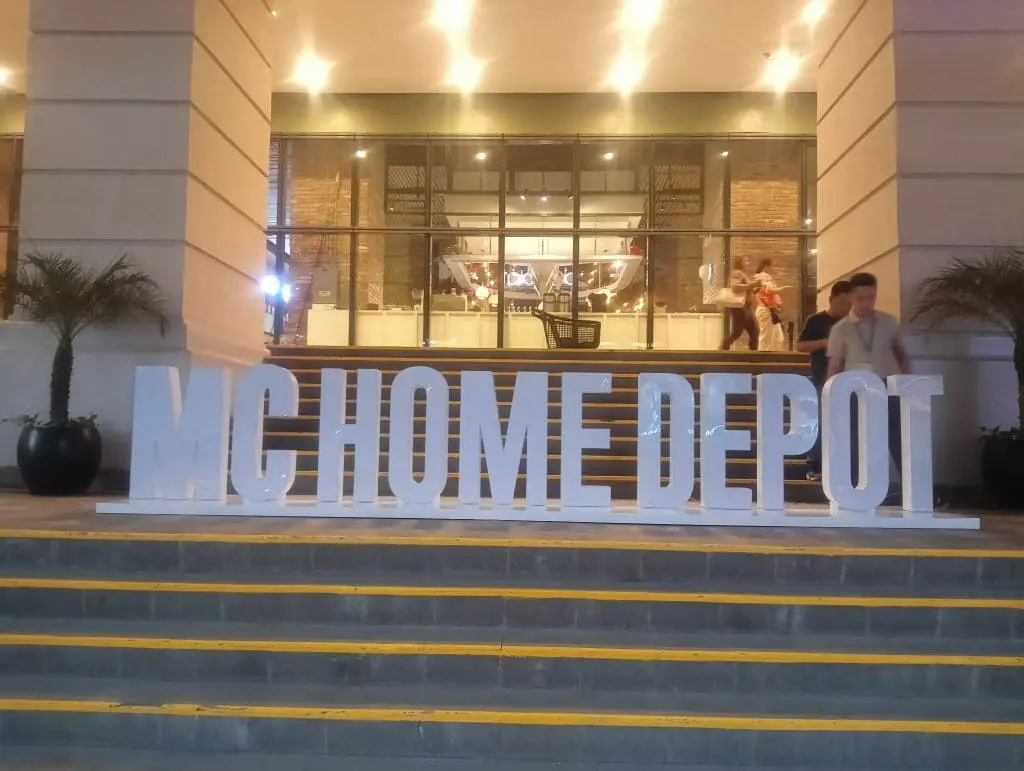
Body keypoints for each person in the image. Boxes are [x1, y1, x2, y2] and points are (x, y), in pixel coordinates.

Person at [826, 272, 941, 507]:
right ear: (851, 298)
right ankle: (855, 491)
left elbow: (900, 353)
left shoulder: (889, 322)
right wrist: (831, 397)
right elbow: (835, 364)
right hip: (856, 390)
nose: (867, 303)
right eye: (861, 298)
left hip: (888, 386)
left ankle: (916, 491)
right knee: (856, 440)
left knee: (899, 438)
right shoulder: (841, 329)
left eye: (871, 297)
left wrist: (909, 384)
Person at [796, 280, 853, 481]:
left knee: (846, 425)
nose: (846, 307)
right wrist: (824, 343)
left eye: (850, 303)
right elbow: (800, 346)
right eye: (842, 302)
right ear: (831, 300)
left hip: (849, 380)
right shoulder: (817, 321)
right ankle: (815, 466)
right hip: (822, 379)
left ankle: (844, 468)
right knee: (820, 424)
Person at [718, 256, 758, 351]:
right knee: (737, 332)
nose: (747, 263)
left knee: (753, 331)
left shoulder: (741, 274)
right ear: (740, 262)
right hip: (739, 308)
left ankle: (754, 354)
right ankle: (722, 349)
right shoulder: (737, 273)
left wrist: (756, 287)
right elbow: (734, 287)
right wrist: (751, 285)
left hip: (745, 307)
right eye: (745, 261)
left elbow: (747, 288)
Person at [753, 259, 787, 352]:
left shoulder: (761, 277)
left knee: (777, 338)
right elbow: (768, 290)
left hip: (770, 310)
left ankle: (773, 358)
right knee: (767, 340)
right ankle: (764, 359)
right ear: (766, 266)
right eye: (772, 266)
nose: (773, 268)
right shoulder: (763, 276)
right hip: (766, 310)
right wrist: (782, 289)